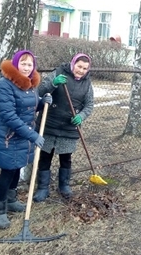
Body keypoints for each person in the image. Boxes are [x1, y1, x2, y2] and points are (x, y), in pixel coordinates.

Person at [0, 50, 52, 229]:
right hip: (8, 136)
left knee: (17, 166)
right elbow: (9, 115)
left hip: (23, 135)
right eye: (23, 64)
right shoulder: (4, 85)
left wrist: (43, 101)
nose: (26, 68)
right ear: (16, 64)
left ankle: (11, 200)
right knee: (7, 171)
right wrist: (33, 135)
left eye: (30, 64)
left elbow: (30, 107)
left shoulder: (30, 84)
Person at [33, 53, 94, 201]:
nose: (81, 70)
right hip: (49, 123)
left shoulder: (87, 83)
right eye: (79, 66)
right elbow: (39, 91)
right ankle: (42, 188)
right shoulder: (59, 72)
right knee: (45, 157)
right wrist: (53, 83)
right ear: (73, 64)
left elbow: (89, 105)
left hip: (69, 127)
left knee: (66, 158)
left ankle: (64, 186)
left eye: (85, 68)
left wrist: (81, 116)